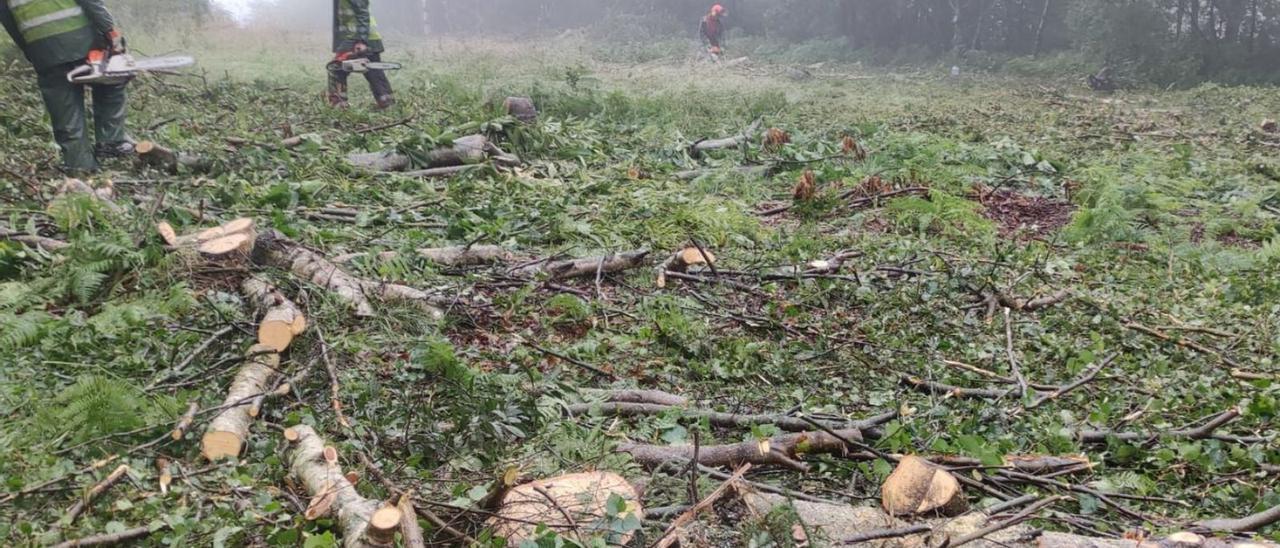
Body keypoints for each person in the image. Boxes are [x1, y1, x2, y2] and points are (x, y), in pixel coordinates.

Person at [0, 0, 132, 173]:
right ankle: (111, 140)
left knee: (65, 112)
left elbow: (7, 19)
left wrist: (31, 50)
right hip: (83, 38)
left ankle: (81, 168)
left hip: (43, 50)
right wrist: (109, 30)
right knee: (112, 80)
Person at [329, 0, 394, 109]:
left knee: (336, 69)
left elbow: (363, 14)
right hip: (360, 38)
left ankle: (339, 107)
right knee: (374, 73)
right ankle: (388, 103)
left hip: (357, 38)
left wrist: (361, 41)